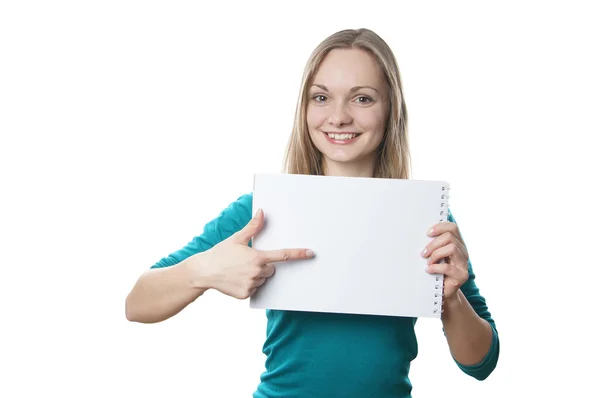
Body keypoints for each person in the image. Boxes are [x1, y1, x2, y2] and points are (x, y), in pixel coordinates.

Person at [125, 28, 499, 397]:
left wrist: (450, 298)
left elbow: (481, 363)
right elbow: (137, 302)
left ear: (392, 110)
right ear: (304, 108)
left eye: (362, 99)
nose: (338, 117)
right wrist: (204, 271)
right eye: (321, 97)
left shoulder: (427, 217)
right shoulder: (262, 209)